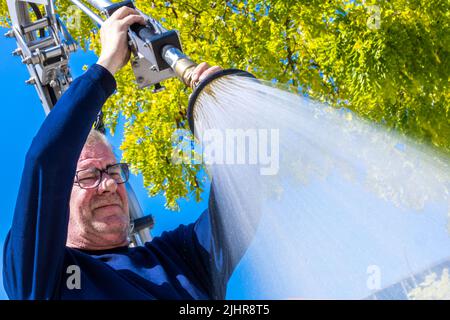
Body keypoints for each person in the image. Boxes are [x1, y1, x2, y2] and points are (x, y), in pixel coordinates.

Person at [3, 7, 248, 299]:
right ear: (58, 203)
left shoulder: (180, 260)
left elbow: (245, 196)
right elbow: (46, 163)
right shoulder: (45, 278)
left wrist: (234, 114)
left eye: (113, 171)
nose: (108, 185)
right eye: (90, 175)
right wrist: (105, 67)